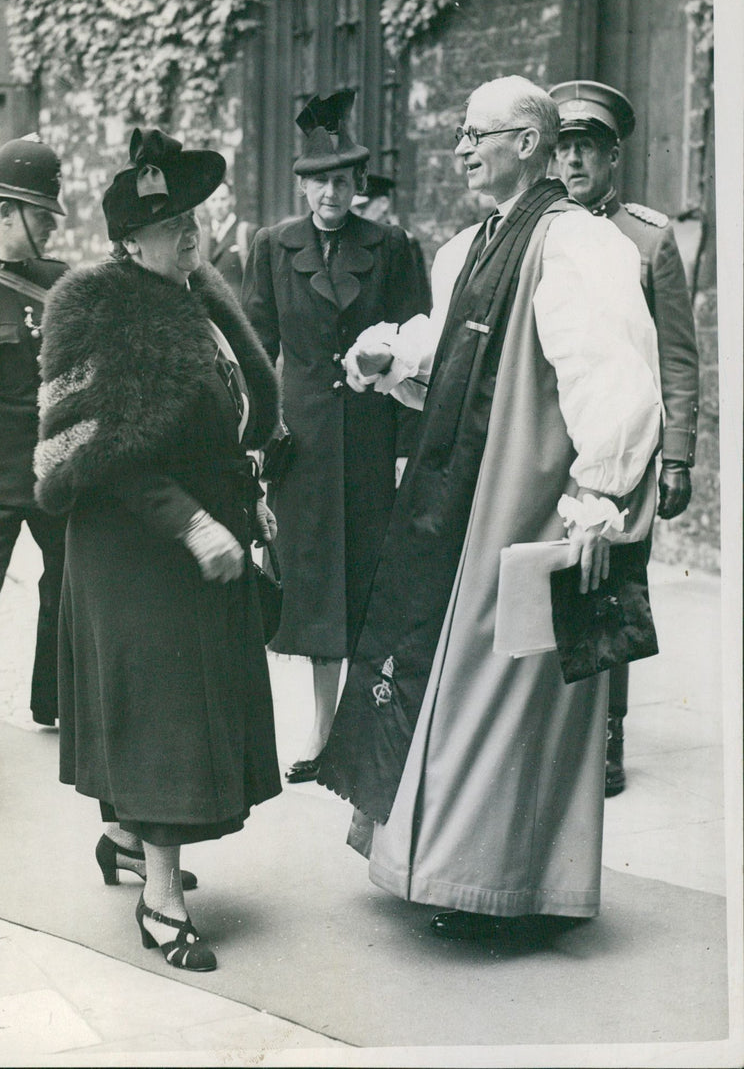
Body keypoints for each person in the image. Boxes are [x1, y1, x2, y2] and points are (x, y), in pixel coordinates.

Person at [316, 76, 662, 939]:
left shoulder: (578, 245)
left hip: (531, 499)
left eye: (481, 133)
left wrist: (599, 497)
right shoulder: (473, 243)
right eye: (464, 133)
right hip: (461, 495)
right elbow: (457, 351)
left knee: (507, 685)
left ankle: (500, 886)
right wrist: (390, 359)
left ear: (530, 145)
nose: (464, 148)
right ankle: (432, 861)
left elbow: (611, 375)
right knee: (449, 673)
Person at [34, 127, 282, 972]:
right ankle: (161, 898)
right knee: (166, 717)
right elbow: (97, 454)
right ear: (127, 240)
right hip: (133, 549)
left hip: (195, 539)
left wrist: (248, 496)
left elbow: (235, 405)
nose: (192, 234)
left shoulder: (194, 294)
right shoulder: (94, 306)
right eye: (172, 223)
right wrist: (195, 524)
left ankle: (122, 839)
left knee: (163, 706)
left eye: (194, 219)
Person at [241, 89, 428, 784]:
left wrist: (408, 451)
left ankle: (365, 734)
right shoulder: (270, 247)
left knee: (370, 586)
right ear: (303, 185)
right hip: (303, 447)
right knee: (316, 592)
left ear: (358, 187)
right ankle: (320, 736)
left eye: (343, 182)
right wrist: (257, 437)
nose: (330, 194)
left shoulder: (392, 247)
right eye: (319, 182)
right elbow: (256, 349)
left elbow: (418, 346)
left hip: (372, 445)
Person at [550, 79, 700, 796]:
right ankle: (555, 723)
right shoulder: (543, 231)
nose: (574, 162)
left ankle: (607, 735)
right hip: (557, 439)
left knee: (615, 582)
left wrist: (678, 458)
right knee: (552, 572)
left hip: (628, 447)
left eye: (588, 148)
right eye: (565, 148)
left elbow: (677, 353)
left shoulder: (647, 236)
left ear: (614, 157)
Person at [0, 134, 69, 778]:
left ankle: (59, 713)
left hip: (54, 475)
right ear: (5, 212)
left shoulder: (62, 284)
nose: (48, 228)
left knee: (74, 593)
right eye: (39, 215)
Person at [352, 173, 432, 311]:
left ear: (383, 204)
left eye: (363, 206)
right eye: (354, 208)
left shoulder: (405, 242)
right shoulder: (351, 240)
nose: (358, 213)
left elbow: (417, 301)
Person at [206, 180, 257, 297]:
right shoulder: (201, 235)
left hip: (237, 306)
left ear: (232, 200)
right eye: (213, 200)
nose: (218, 206)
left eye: (223, 199)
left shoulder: (246, 232)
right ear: (207, 203)